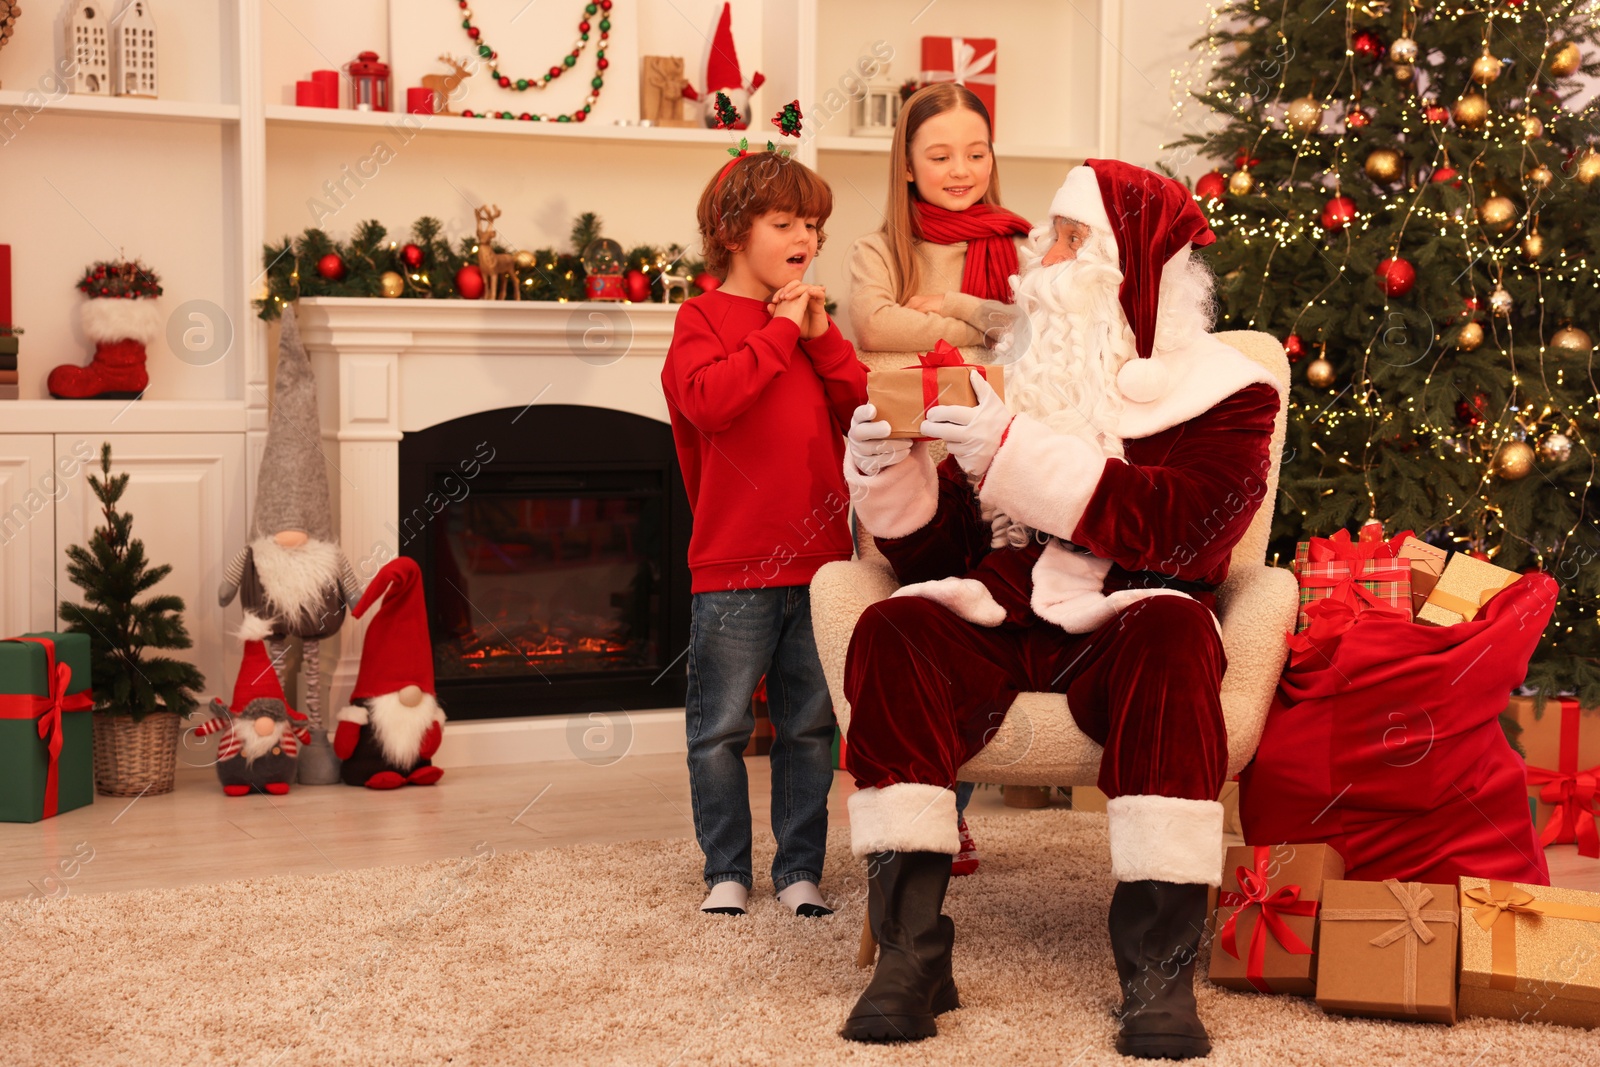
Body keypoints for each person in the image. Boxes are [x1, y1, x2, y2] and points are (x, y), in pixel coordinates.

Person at [837, 159, 1283, 1058]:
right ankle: (911, 953)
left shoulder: (1231, 392)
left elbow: (1186, 532)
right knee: (896, 625)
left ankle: (1158, 970)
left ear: (1128, 267)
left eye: (1068, 237)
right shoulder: (1013, 375)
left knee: (1174, 630)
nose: (1040, 255)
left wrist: (1014, 449)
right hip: (1005, 614)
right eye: (1049, 233)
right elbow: (945, 554)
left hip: (1128, 616)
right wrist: (893, 475)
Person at [661, 148, 868, 918]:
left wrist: (816, 334)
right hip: (733, 565)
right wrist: (781, 329)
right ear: (731, 230)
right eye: (783, 222)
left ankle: (800, 869)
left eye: (812, 224)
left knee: (810, 727)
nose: (804, 237)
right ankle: (727, 869)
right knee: (718, 728)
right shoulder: (701, 320)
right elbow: (714, 400)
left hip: (820, 564)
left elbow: (862, 408)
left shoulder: (811, 326)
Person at [845, 82, 1032, 876]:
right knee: (919, 633)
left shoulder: (1019, 247)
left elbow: (1028, 339)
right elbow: (872, 326)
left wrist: (954, 307)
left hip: (997, 474)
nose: (962, 169)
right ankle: (922, 807)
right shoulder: (878, 247)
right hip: (913, 474)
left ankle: (948, 808)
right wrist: (979, 336)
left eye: (976, 152)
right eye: (940, 155)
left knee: (975, 630)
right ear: (909, 166)